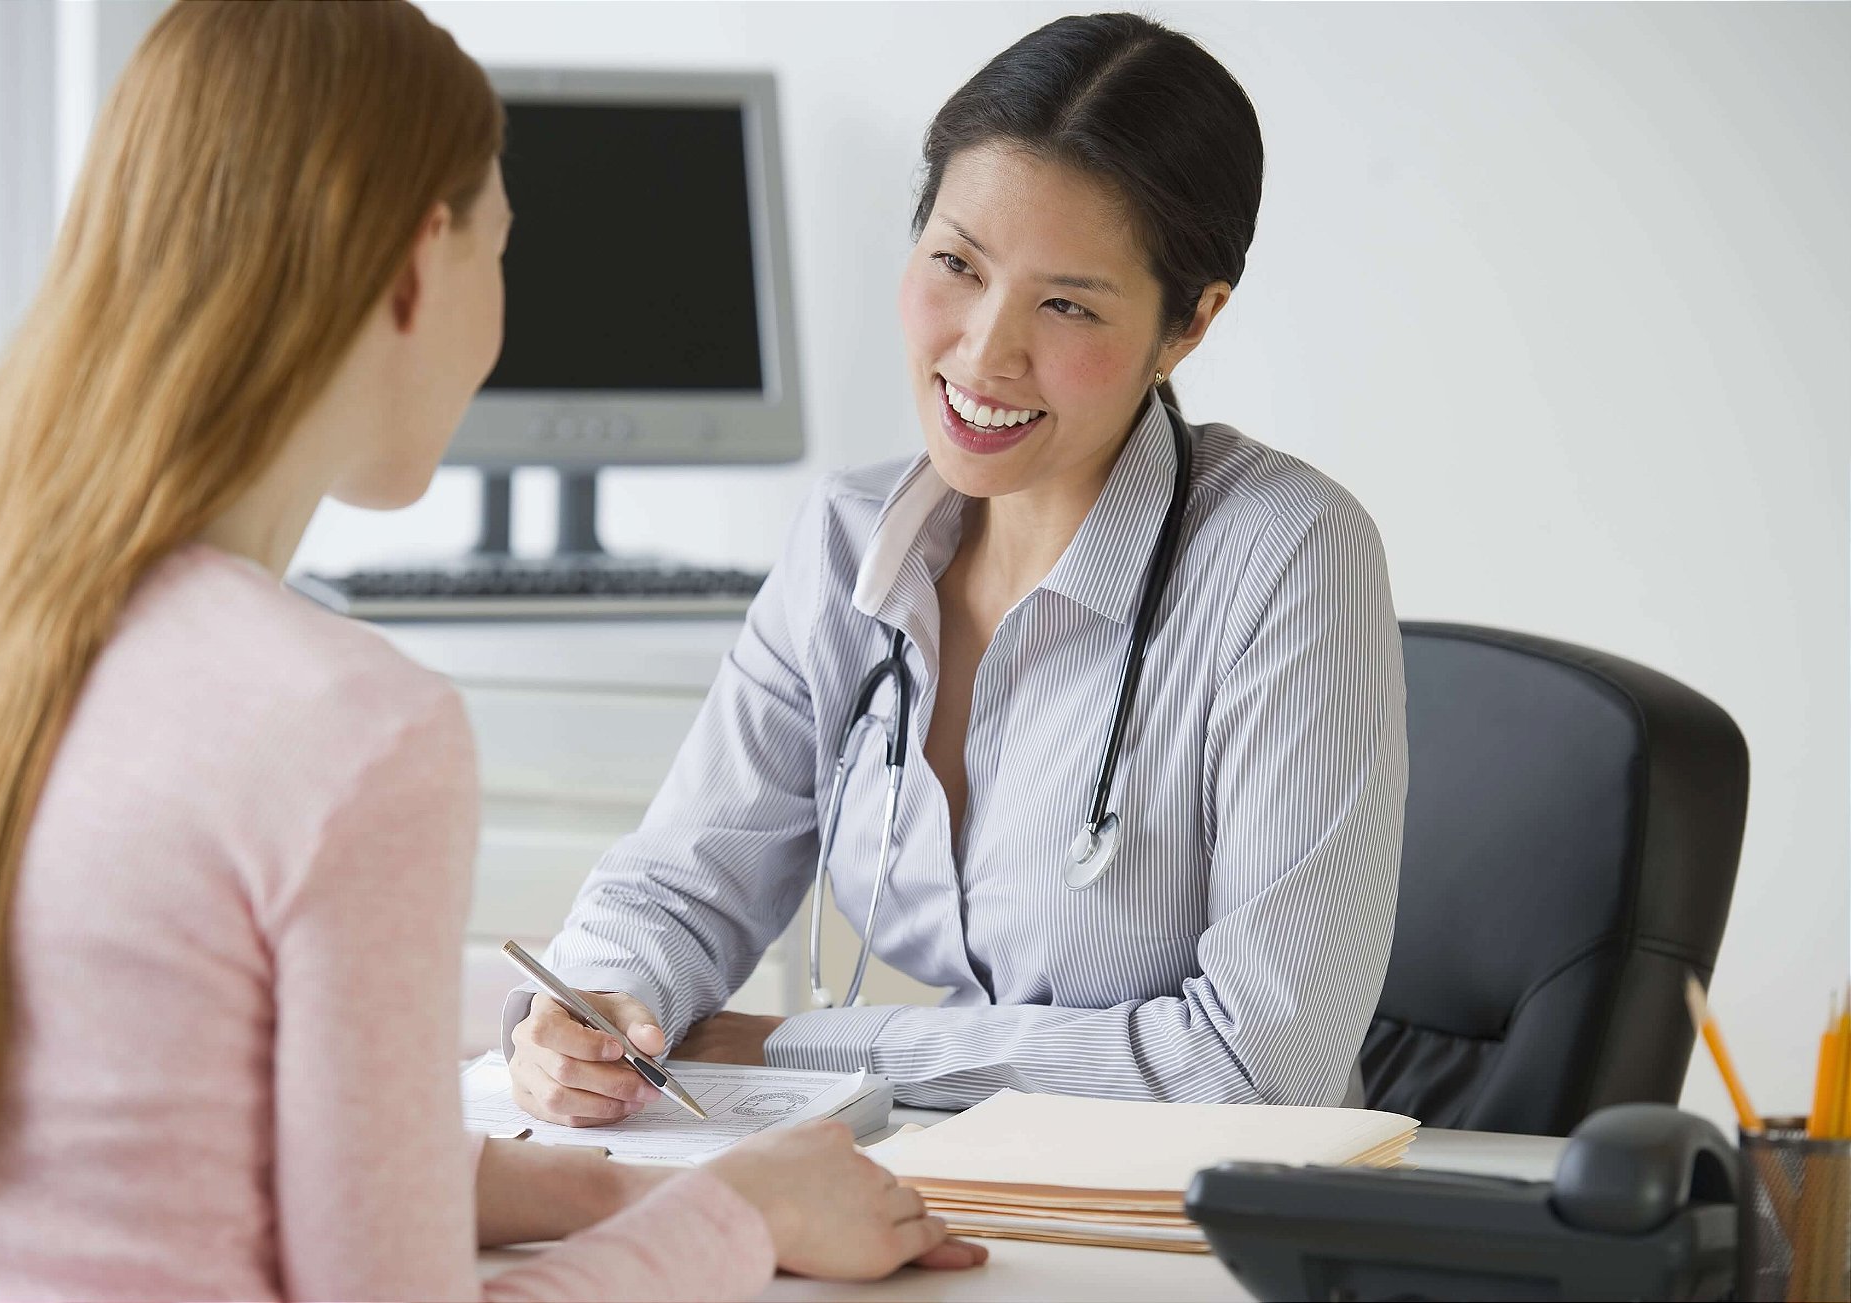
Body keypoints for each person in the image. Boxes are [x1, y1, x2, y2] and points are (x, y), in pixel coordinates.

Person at [0, 3, 983, 1298]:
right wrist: (737, 1213)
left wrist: (617, 1191)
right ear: (421, 263)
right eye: (505, 243)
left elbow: (181, 1142)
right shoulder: (345, 725)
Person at [507, 11, 1409, 1128]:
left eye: (1067, 303)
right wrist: (605, 998)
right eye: (955, 264)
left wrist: (808, 1047)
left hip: (1197, 1220)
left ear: (1188, 326)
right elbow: (684, 878)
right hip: (938, 1179)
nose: (984, 352)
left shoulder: (1287, 559)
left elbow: (1260, 1067)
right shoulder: (847, 543)